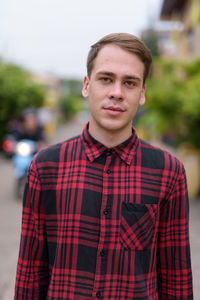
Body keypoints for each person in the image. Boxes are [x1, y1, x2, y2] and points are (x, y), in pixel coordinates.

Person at [14, 33, 193, 299]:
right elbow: (30, 273)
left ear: (142, 93)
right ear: (87, 85)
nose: (117, 93)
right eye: (106, 78)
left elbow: (175, 279)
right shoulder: (45, 167)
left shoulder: (169, 172)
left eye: (130, 83)